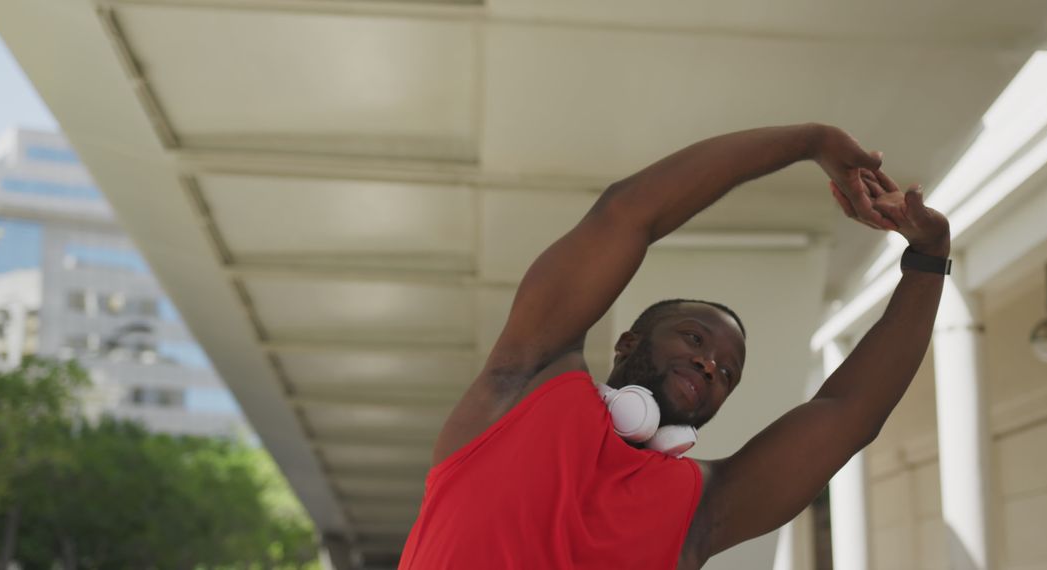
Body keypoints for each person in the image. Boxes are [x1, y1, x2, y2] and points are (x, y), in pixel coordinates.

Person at [397, 124, 951, 569]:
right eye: (694, 338)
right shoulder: (522, 384)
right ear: (629, 342)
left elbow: (849, 415)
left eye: (728, 374)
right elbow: (627, 215)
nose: (711, 364)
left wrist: (928, 262)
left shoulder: (701, 510)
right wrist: (809, 142)